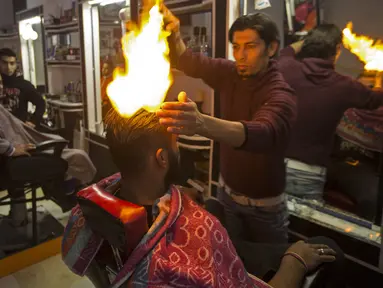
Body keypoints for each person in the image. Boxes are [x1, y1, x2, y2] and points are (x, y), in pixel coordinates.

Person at [61, 108, 340, 288]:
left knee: (217, 208)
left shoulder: (90, 206)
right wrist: (296, 260)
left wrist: (173, 197)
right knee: (326, 247)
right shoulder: (198, 234)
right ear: (161, 159)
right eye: (175, 145)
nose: (178, 150)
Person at [156, 6, 297, 244]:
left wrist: (201, 123)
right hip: (226, 196)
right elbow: (188, 61)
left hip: (264, 210)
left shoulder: (281, 94)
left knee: (267, 273)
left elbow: (261, 132)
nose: (240, 55)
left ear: (271, 48)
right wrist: (174, 34)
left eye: (250, 47)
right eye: (236, 46)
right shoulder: (231, 73)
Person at [277, 24, 383, 201]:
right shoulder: (344, 86)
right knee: (305, 228)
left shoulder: (287, 67)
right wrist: (379, 81)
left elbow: (285, 51)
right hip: (309, 174)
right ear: (338, 50)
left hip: (275, 167)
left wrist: (309, 40)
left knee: (274, 225)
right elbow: (375, 99)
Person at [0, 104, 96, 226]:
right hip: (13, 159)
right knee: (78, 156)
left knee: (66, 148)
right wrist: (10, 149)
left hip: (12, 155)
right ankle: (71, 194)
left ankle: (19, 216)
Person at [0, 48, 45, 128]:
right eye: (4, 63)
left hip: (18, 132)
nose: (8, 67)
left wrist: (33, 121)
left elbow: (41, 104)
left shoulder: (24, 85)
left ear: (16, 65)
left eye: (12, 63)